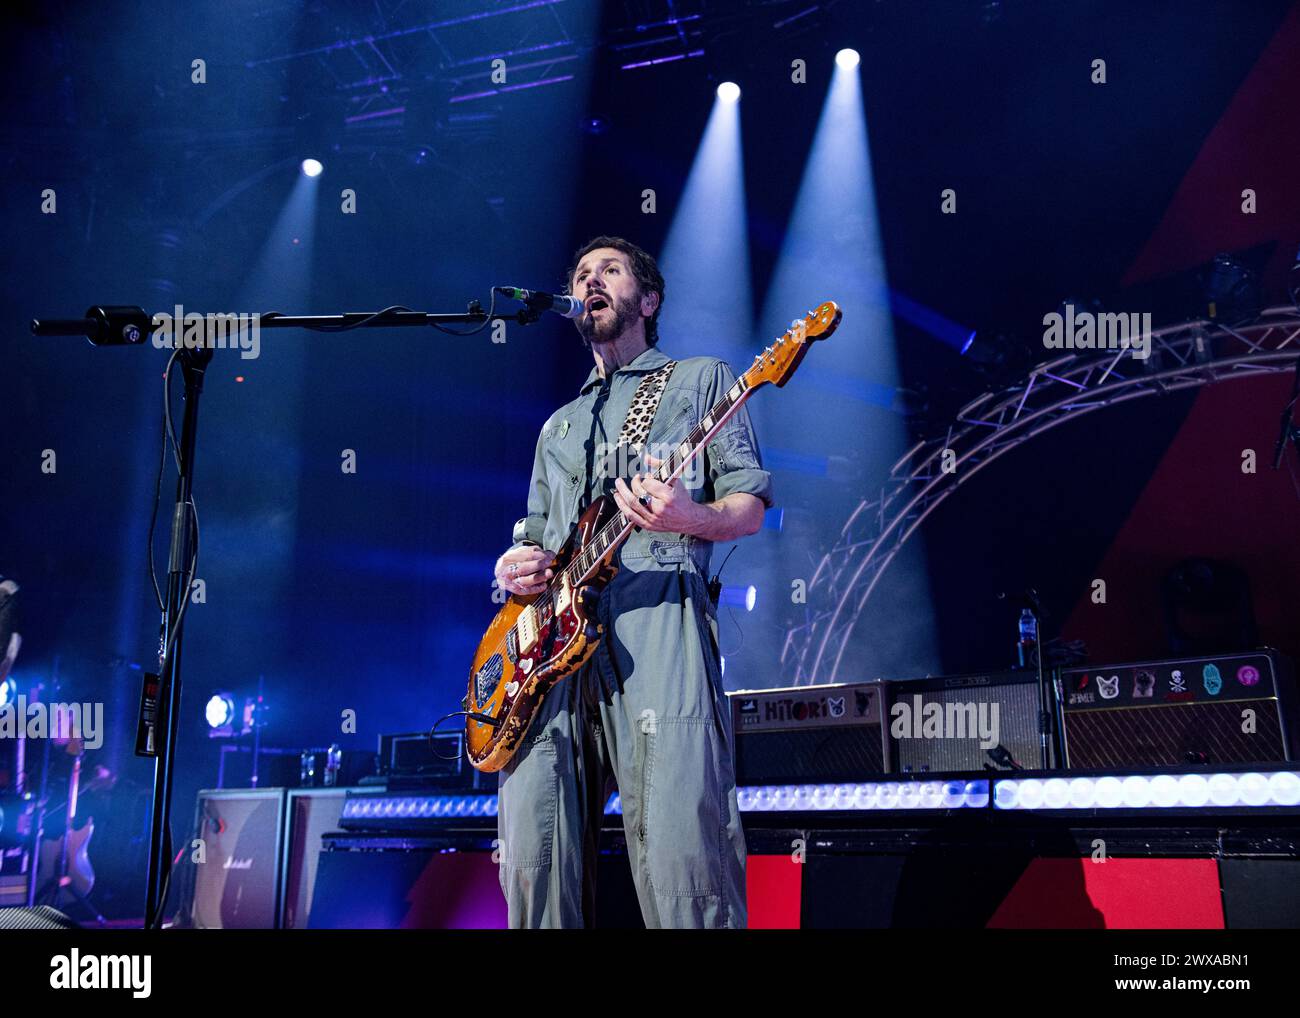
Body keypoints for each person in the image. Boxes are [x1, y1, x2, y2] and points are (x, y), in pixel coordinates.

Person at [493, 236, 773, 928]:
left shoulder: (699, 380)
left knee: (683, 853)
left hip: (658, 615)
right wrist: (512, 569)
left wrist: (689, 516)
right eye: (582, 273)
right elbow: (534, 534)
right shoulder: (558, 428)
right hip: (549, 648)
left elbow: (750, 508)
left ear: (648, 299)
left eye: (609, 270)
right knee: (533, 847)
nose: (592, 280)